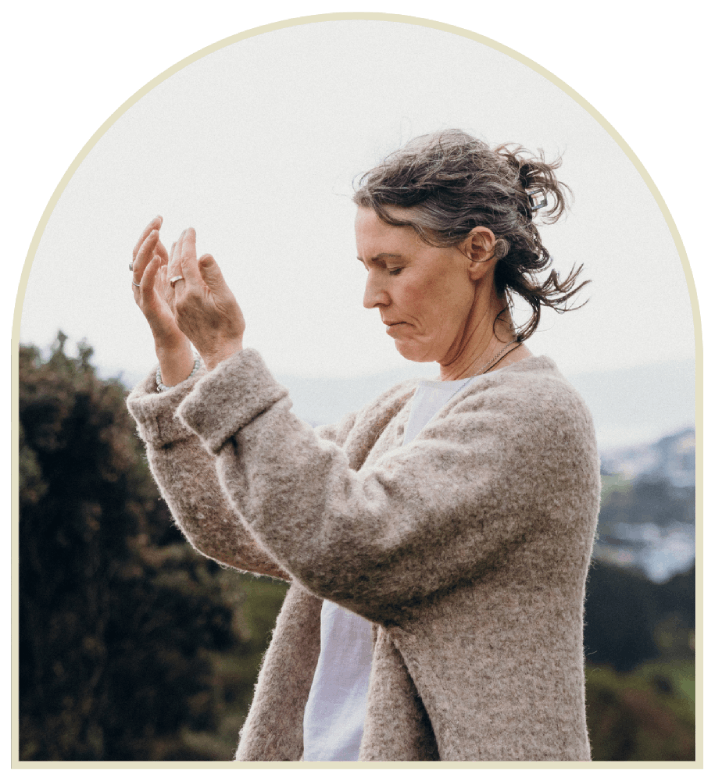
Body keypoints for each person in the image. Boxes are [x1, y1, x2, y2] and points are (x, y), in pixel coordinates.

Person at [127, 129, 600, 762]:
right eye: (367, 268)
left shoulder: (536, 416)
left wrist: (228, 358)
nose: (372, 296)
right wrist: (179, 357)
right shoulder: (394, 413)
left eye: (393, 267)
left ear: (477, 251)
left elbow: (343, 537)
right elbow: (241, 519)